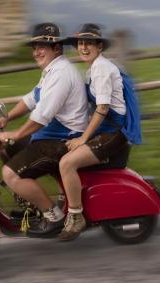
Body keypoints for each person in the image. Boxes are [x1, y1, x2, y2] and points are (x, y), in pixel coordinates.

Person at [0, 22, 89, 237]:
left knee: (10, 173)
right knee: (6, 150)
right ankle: (34, 204)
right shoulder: (51, 70)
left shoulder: (61, 73)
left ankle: (53, 217)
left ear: (57, 48)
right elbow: (31, 99)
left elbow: (42, 115)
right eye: (34, 47)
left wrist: (16, 133)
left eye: (42, 47)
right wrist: (6, 118)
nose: (36, 52)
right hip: (50, 136)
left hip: (63, 140)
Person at [57, 23, 142, 241]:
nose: (83, 48)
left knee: (67, 163)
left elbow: (103, 108)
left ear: (99, 47)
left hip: (113, 133)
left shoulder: (102, 69)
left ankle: (76, 217)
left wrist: (83, 139)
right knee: (60, 148)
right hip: (106, 129)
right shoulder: (94, 68)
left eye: (89, 44)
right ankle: (69, 201)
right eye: (81, 44)